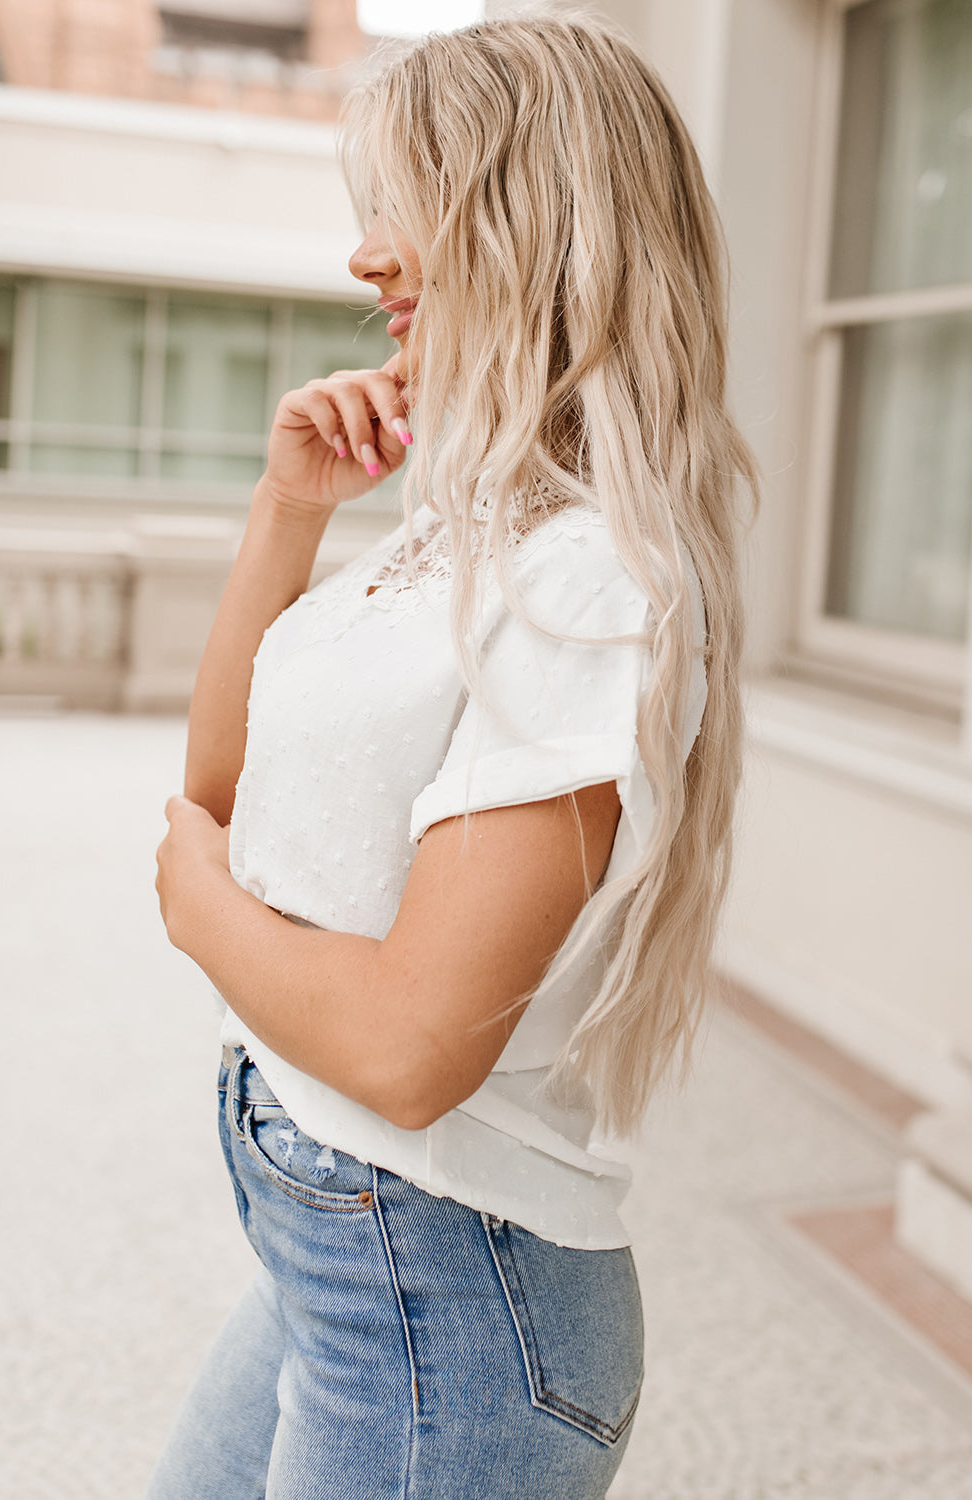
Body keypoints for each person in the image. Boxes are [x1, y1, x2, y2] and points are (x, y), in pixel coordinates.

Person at [150, 12, 758, 1500]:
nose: (366, 260)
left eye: (406, 204)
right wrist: (287, 516)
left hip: (439, 1289)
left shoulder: (595, 586)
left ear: (539, 220)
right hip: (333, 1246)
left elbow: (411, 1051)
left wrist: (191, 902)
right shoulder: (458, 531)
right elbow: (223, 802)